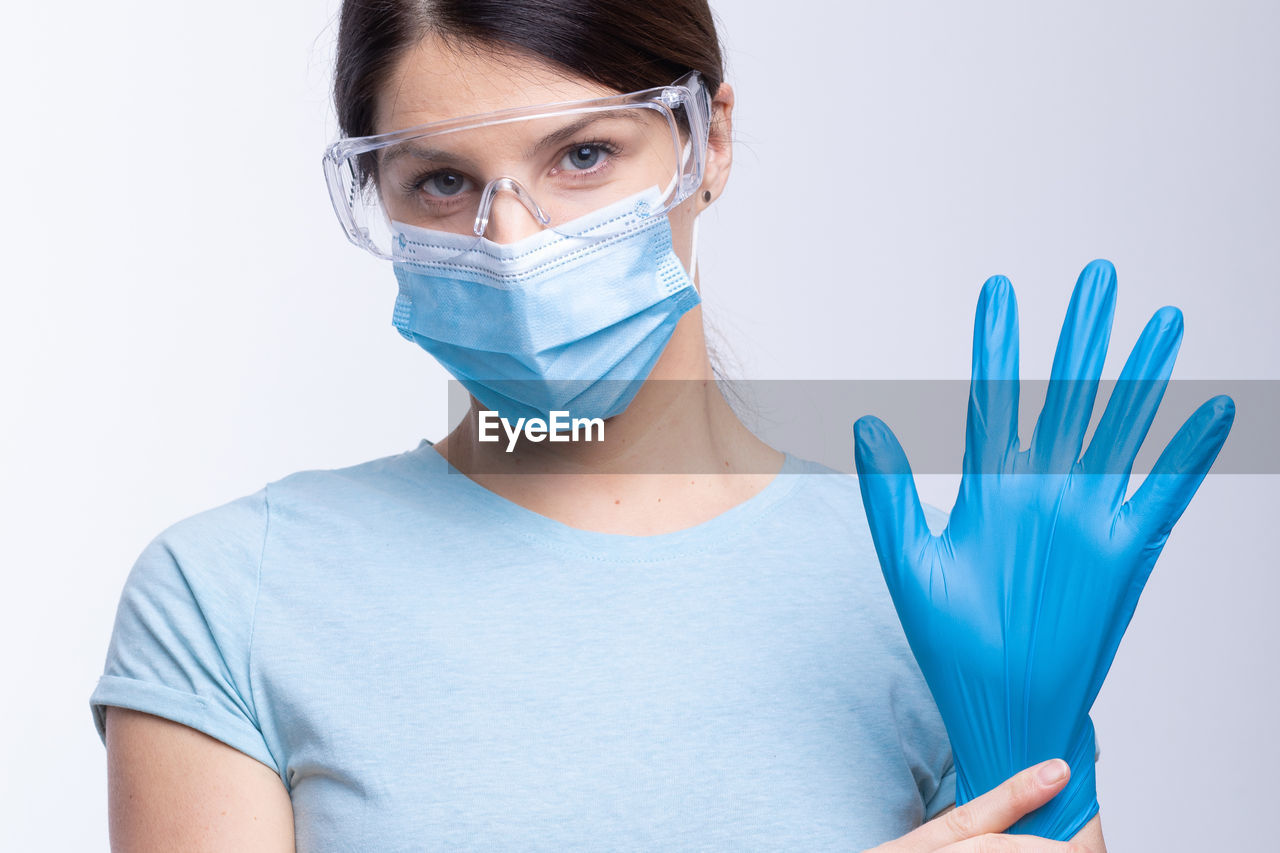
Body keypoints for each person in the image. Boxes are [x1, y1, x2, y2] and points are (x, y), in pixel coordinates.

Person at [89, 2, 1153, 850]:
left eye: (583, 155)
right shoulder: (231, 599)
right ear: (381, 193)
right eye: (442, 181)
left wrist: (1035, 752)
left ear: (709, 141)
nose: (511, 241)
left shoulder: (918, 587)